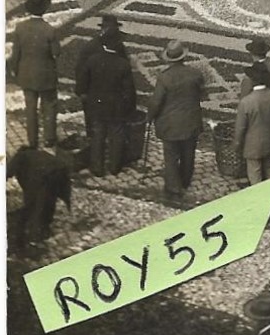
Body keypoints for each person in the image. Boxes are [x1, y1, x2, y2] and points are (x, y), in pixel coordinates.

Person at [147, 40, 206, 205]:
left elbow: (156, 102)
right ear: (183, 57)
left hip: (170, 124)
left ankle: (174, 188)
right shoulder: (195, 74)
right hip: (191, 121)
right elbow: (203, 95)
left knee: (171, 156)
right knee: (189, 153)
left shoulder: (164, 77)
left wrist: (150, 116)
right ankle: (185, 180)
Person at [75, 19, 136, 177]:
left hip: (96, 104)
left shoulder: (93, 60)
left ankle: (97, 168)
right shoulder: (123, 64)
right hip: (116, 106)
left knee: (98, 135)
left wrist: (83, 95)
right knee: (117, 135)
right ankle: (114, 167)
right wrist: (130, 107)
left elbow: (82, 82)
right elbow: (129, 90)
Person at [10, 0, 59, 148]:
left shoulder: (20, 28)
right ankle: (49, 138)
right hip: (45, 76)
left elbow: (15, 53)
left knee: (30, 109)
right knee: (49, 107)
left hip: (27, 75)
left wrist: (14, 70)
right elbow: (56, 53)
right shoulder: (49, 30)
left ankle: (33, 141)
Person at [7, 145, 71, 252]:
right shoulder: (41, 154)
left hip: (43, 175)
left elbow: (7, 172)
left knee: (36, 206)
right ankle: (44, 228)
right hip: (60, 171)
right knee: (49, 202)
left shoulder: (21, 155)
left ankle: (34, 236)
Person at [74, 14, 128, 138]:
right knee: (111, 126)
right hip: (111, 94)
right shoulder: (117, 45)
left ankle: (94, 149)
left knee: (94, 126)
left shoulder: (89, 46)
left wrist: (81, 91)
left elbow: (80, 70)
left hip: (92, 93)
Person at [233, 62, 270, 185]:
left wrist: (236, 145)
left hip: (252, 146)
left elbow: (240, 128)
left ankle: (261, 201)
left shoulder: (246, 102)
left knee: (255, 175)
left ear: (252, 80)